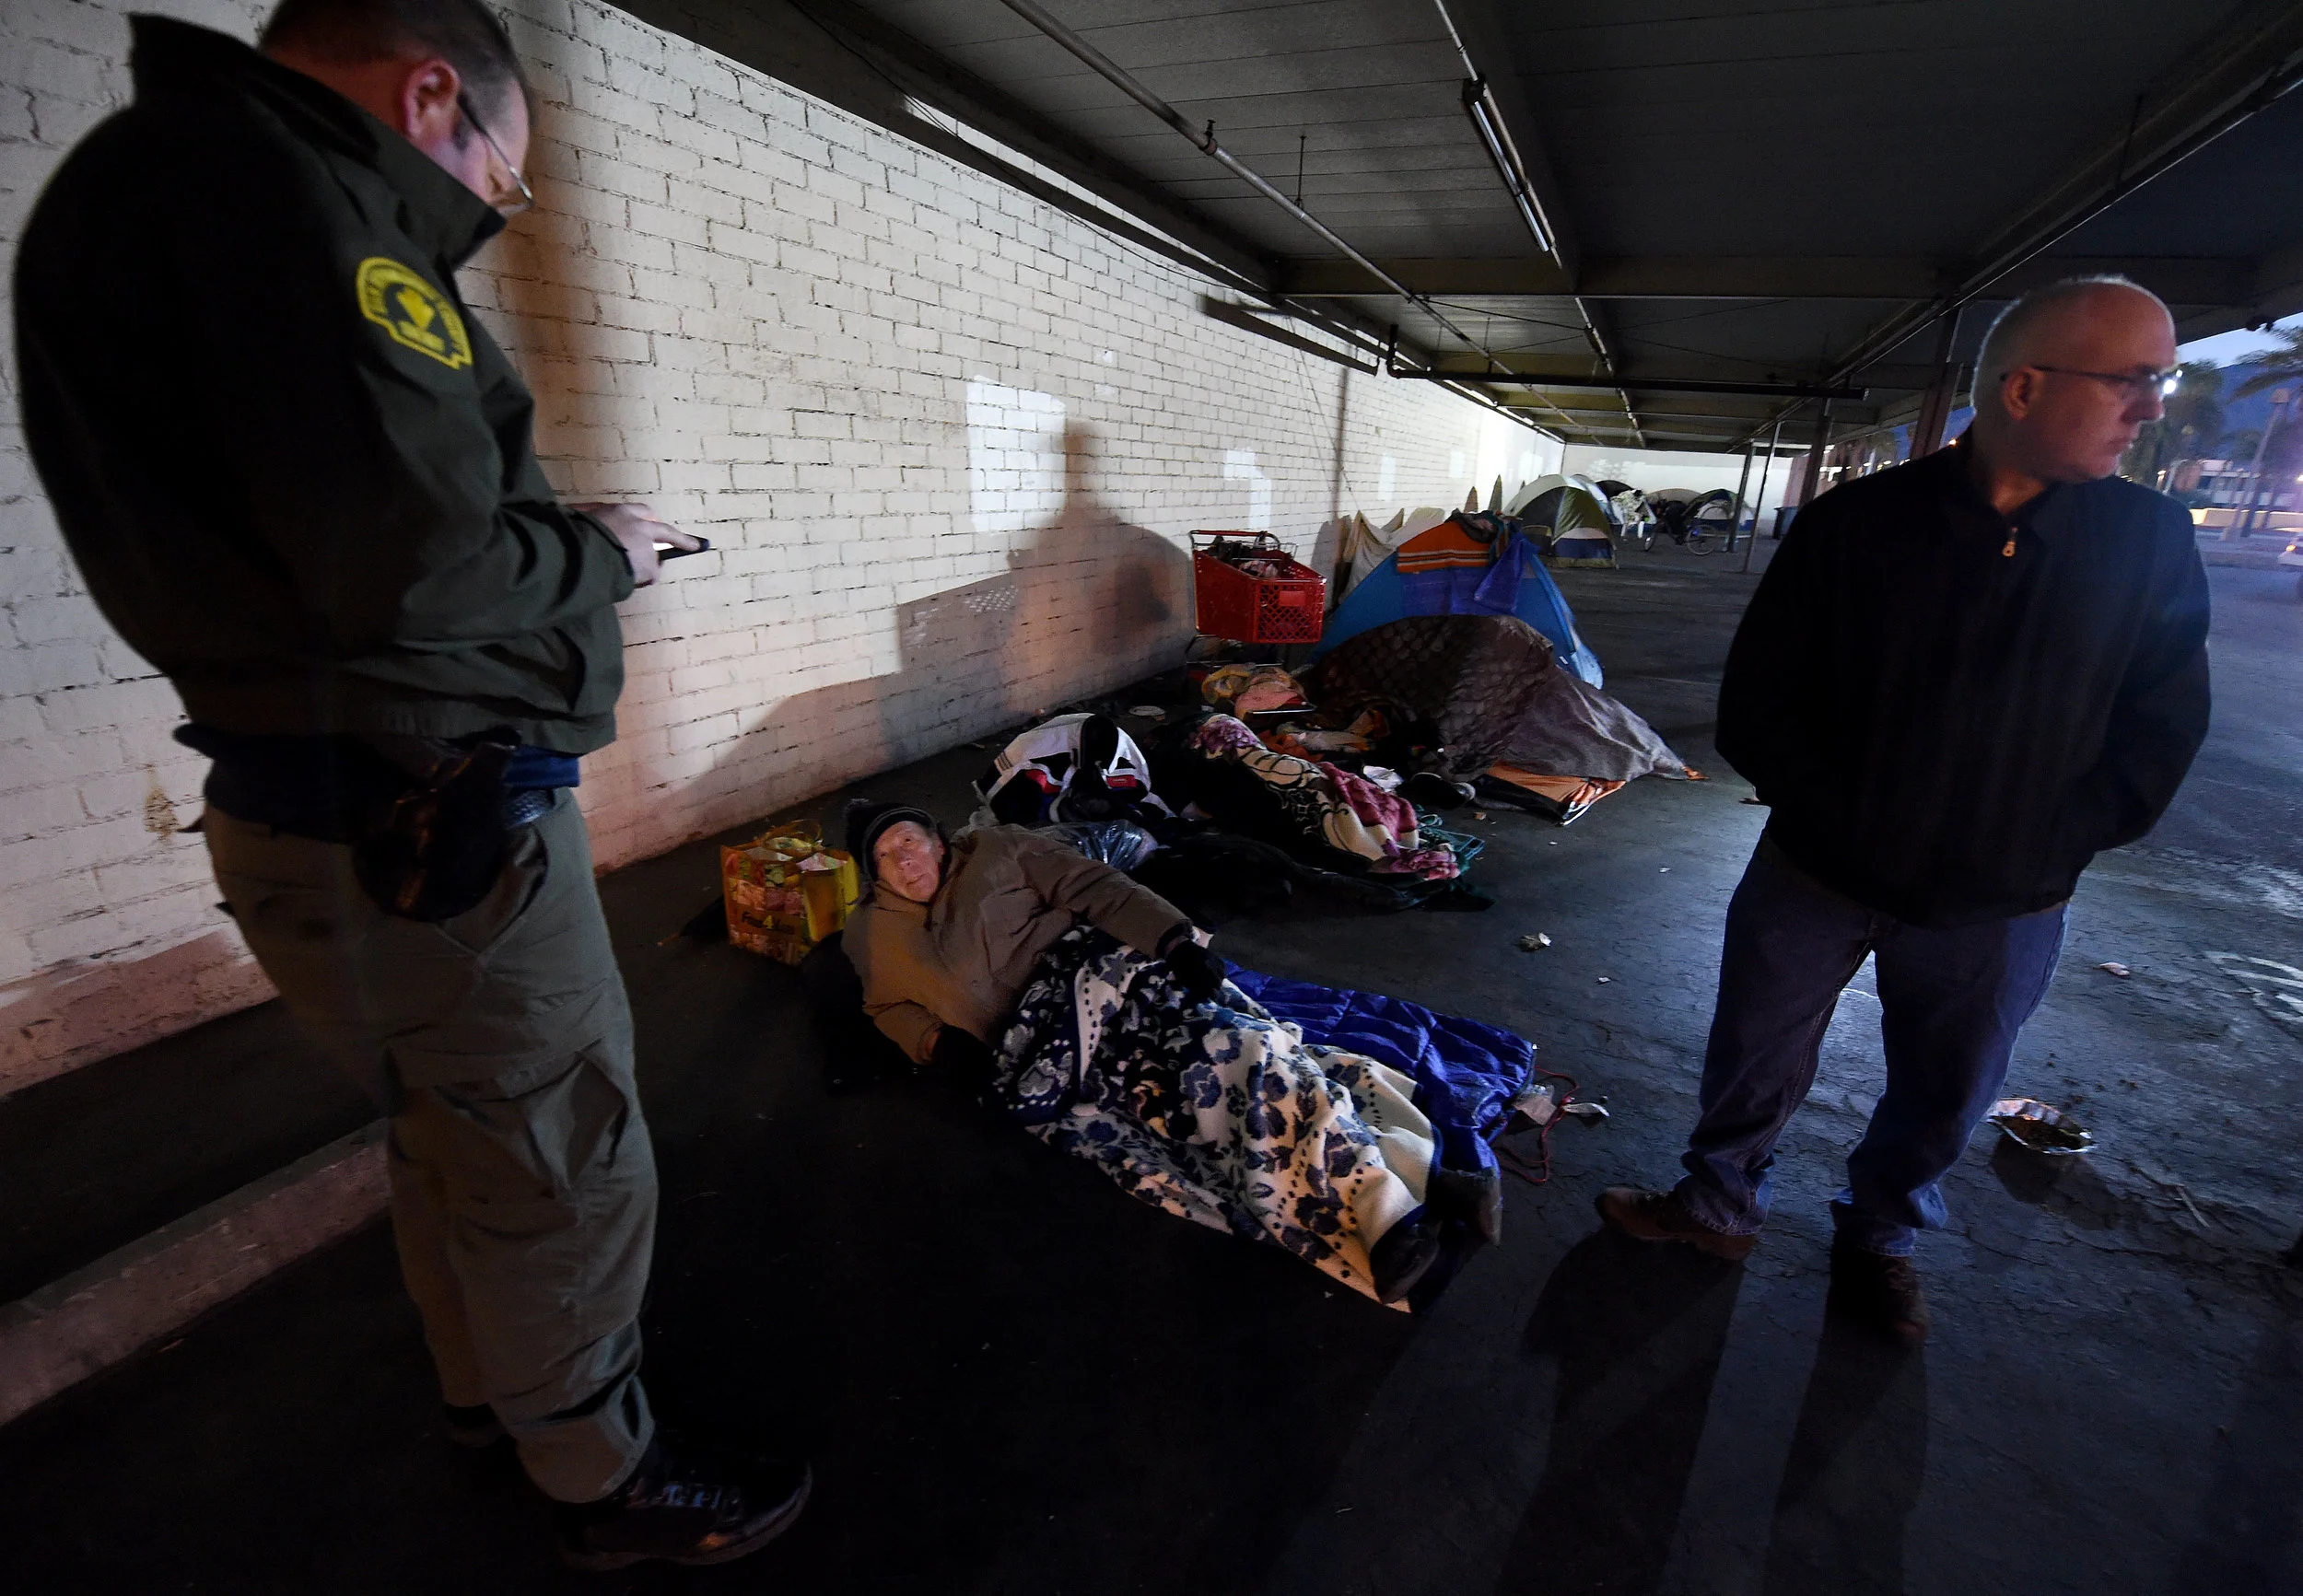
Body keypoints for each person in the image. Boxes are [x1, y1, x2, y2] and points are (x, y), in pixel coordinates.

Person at [14, 0, 806, 1569]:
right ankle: (596, 1473)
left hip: (311, 805)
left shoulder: (136, 184)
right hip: (437, 819)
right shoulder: (304, 200)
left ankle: (491, 1398)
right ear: (430, 92)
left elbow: (353, 525)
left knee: (453, 1129)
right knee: (562, 1150)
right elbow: (420, 559)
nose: (487, 217)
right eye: (496, 183)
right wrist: (607, 551)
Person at [1597, 276, 2211, 1344]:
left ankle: (1880, 1235)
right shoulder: (1858, 524)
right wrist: (1838, 817)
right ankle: (1717, 1201)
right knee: (1753, 1048)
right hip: (1818, 871)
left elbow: (2160, 727)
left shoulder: (2146, 541)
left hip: (2003, 896)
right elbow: (1758, 702)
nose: (2151, 408)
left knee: (1948, 1083)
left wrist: (2049, 841)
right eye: (2132, 380)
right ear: (2022, 386)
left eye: (2157, 381)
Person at [839, 802, 1452, 1303]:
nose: (906, 859)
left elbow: (1098, 887)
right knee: (1188, 1124)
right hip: (1048, 1054)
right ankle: (1416, 1174)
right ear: (874, 874)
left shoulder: (1001, 849)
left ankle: (1388, 1212)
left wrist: (1173, 940)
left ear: (939, 841)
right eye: (888, 855)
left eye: (912, 840)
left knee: (1244, 1048)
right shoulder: (872, 936)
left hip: (1107, 978)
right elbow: (885, 1008)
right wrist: (936, 1045)